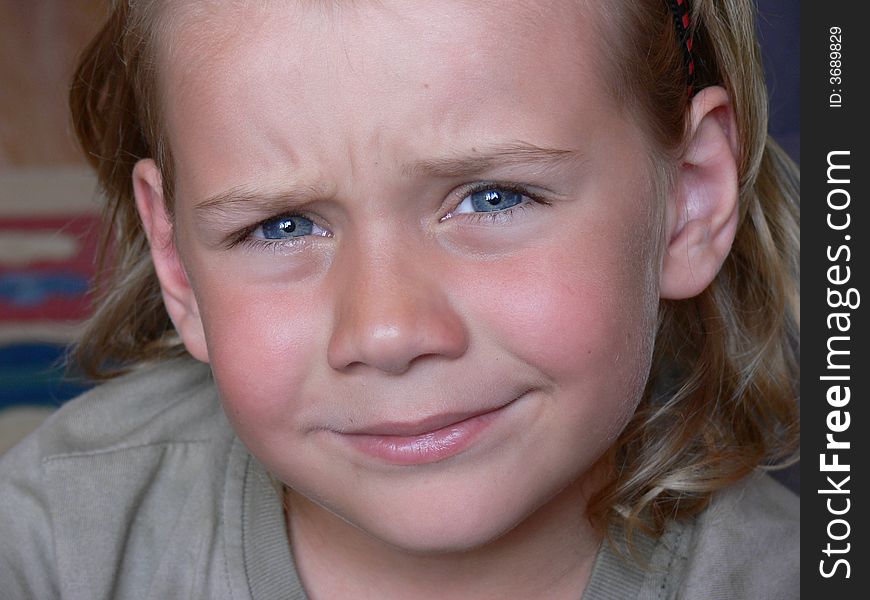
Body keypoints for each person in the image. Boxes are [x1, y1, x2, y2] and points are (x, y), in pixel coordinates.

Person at [0, 0, 799, 597]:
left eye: (492, 198)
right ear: (178, 262)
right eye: (281, 224)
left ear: (689, 202)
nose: (385, 330)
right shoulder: (58, 541)